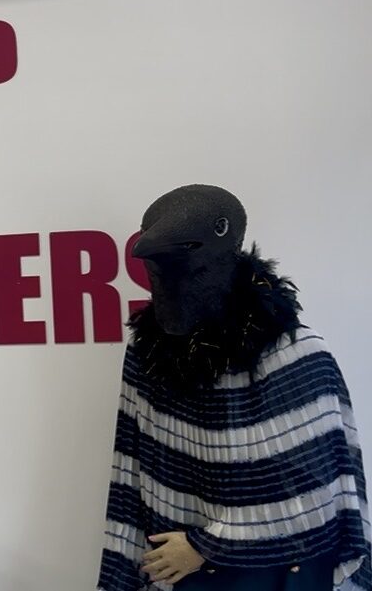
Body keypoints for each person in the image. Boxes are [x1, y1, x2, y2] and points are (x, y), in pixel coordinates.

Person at [96, 185, 371, 590]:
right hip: (178, 571)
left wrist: (206, 545)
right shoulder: (148, 356)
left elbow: (318, 494)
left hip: (278, 576)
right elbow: (131, 470)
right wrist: (119, 576)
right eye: (155, 266)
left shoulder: (292, 352)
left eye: (183, 257)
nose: (168, 279)